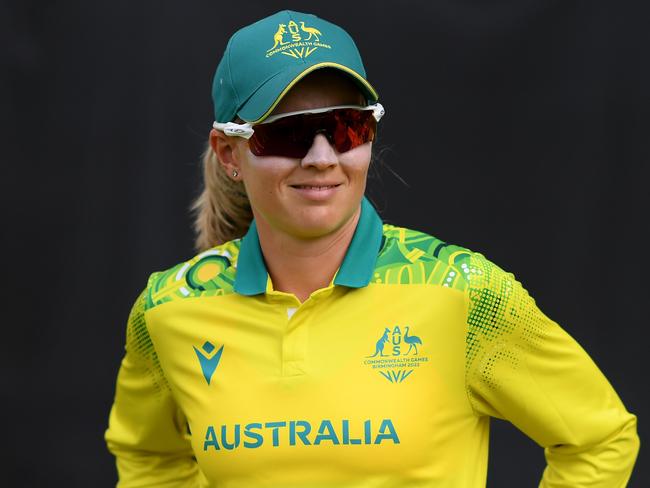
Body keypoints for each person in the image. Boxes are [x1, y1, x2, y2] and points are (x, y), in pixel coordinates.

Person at [105, 9, 639, 488]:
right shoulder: (169, 310)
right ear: (229, 153)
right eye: (289, 133)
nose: (321, 157)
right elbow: (150, 459)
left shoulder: (463, 291)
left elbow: (599, 439)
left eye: (345, 127)